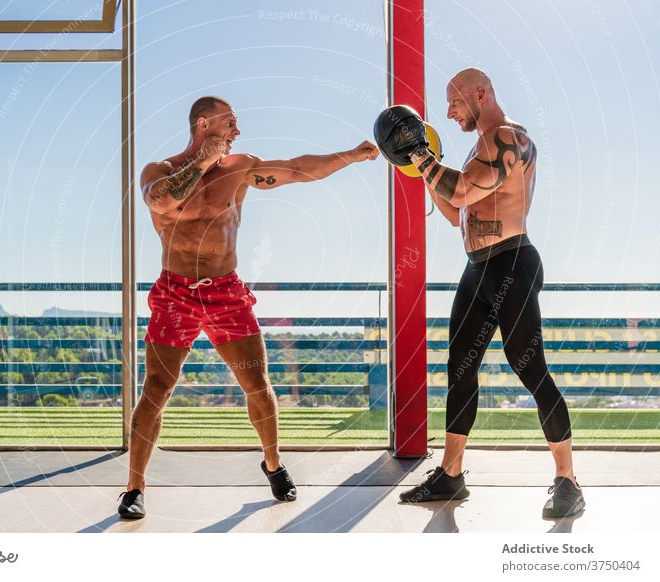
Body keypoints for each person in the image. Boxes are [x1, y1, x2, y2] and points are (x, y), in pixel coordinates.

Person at [117, 96, 379, 519]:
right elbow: (160, 203)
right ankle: (134, 488)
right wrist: (201, 164)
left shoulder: (240, 168)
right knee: (156, 390)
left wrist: (351, 155)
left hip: (226, 291)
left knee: (257, 384)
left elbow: (297, 169)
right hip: (175, 294)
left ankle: (273, 464)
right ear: (203, 124)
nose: (237, 131)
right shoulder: (158, 171)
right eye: (230, 123)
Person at [396, 68, 584, 518]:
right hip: (476, 267)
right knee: (460, 369)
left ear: (479, 93)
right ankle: (451, 475)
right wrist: (420, 169)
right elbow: (455, 212)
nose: (448, 112)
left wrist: (421, 157)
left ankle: (568, 481)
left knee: (528, 367)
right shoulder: (476, 151)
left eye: (454, 102)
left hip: (512, 262)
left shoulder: (509, 139)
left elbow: (459, 191)